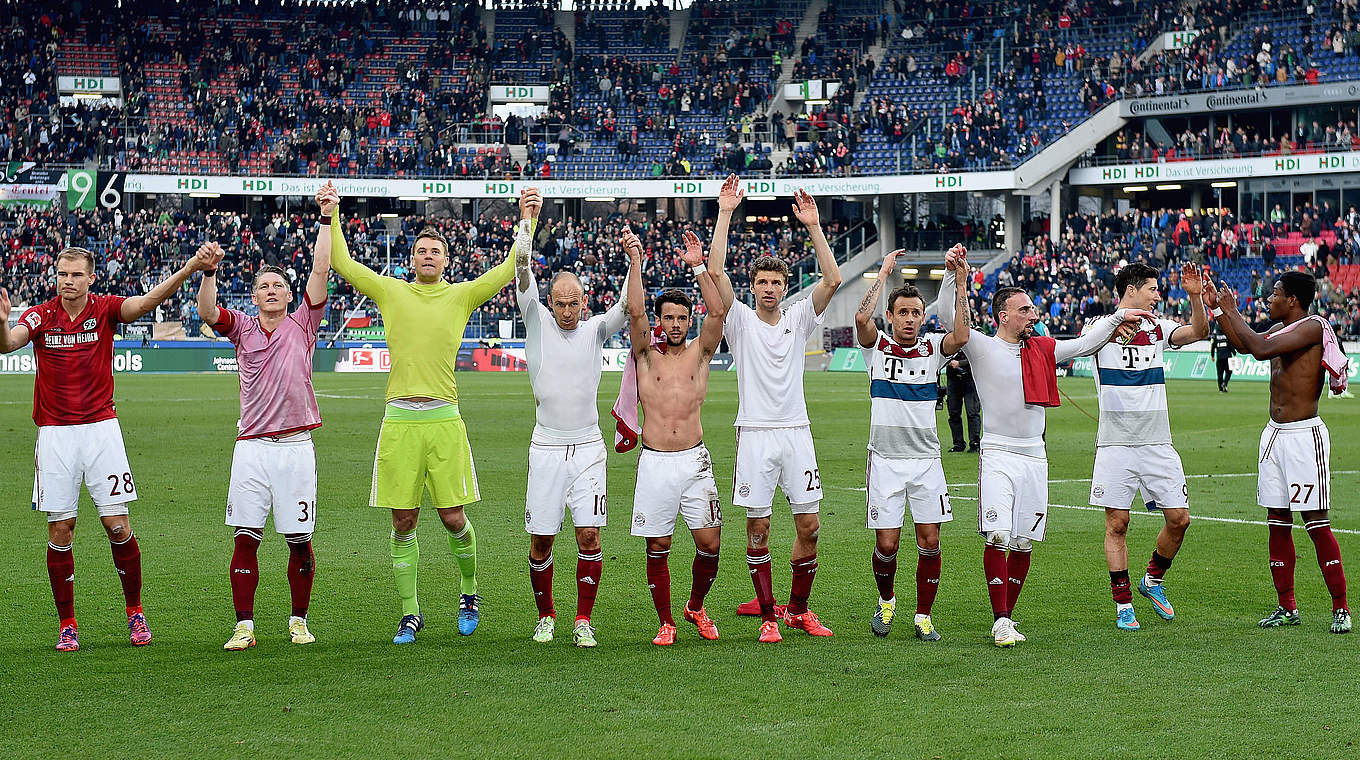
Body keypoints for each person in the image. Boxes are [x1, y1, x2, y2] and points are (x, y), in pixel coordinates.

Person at [330, 187, 542, 643]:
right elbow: (343, 264)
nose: (428, 256)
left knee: (452, 518)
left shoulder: (461, 296)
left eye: (436, 251)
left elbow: (510, 268)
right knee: (402, 521)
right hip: (400, 422)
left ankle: (469, 590)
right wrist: (333, 214)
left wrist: (527, 218)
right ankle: (411, 612)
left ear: (446, 261)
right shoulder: (390, 291)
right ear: (412, 260)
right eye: (421, 251)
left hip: (444, 420)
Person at [0, 243, 219, 651]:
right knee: (61, 529)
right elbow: (8, 343)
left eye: (76, 275)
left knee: (117, 525)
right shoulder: (41, 315)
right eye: (62, 274)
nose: (68, 281)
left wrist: (190, 267)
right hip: (55, 435)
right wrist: (0, 323)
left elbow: (148, 301)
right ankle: (68, 624)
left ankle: (135, 613)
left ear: (91, 277)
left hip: (102, 431)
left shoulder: (104, 310)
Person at [937, 245, 1153, 647]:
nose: (1033, 314)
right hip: (999, 453)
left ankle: (1008, 617)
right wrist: (957, 276)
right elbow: (950, 317)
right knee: (998, 536)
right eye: (1024, 310)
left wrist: (1120, 316)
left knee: (1022, 541)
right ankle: (1000, 621)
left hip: (1035, 455)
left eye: (1033, 309)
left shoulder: (1044, 347)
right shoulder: (982, 347)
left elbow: (1084, 345)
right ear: (1003, 316)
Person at [199, 182, 336, 650]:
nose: (272, 290)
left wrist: (326, 217)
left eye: (279, 285)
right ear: (254, 295)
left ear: (289, 293)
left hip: (296, 447)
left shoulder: (304, 323)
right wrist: (209, 272)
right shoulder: (241, 327)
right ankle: (244, 625)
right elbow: (207, 309)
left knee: (299, 538)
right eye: (264, 286)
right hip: (251, 449)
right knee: (246, 537)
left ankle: (299, 620)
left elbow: (321, 269)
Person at [708, 176, 843, 643]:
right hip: (756, 434)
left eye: (776, 282)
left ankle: (798, 610)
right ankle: (768, 614)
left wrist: (815, 226)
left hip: (797, 433)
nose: (769, 288)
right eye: (762, 282)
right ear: (753, 287)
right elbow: (716, 274)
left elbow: (833, 280)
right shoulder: (740, 321)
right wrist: (725, 212)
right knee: (759, 527)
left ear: (786, 287)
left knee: (810, 525)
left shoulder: (799, 318)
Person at [1207, 272, 1350, 634]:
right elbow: (1244, 345)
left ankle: (1341, 609)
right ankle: (1287, 607)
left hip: (1304, 437)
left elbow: (1258, 348)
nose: (1269, 298)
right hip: (1275, 436)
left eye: (1274, 294)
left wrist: (1229, 309)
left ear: (1293, 300)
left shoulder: (1312, 327)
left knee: (1316, 524)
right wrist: (1219, 312)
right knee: (1277, 521)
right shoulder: (1281, 330)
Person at [515, 217, 627, 649]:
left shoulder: (596, 330)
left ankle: (583, 619)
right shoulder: (536, 320)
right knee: (542, 539)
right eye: (559, 303)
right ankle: (546, 616)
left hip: (588, 448)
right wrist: (526, 225)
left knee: (589, 535)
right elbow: (522, 271)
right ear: (551, 302)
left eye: (573, 303)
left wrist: (635, 260)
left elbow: (626, 308)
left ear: (584, 301)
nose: (565, 310)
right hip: (546, 447)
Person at [854, 248, 970, 641]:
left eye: (914, 313)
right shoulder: (876, 349)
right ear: (891, 316)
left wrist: (962, 281)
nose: (908, 319)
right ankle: (886, 602)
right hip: (885, 460)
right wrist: (884, 270)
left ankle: (923, 616)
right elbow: (860, 318)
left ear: (923, 316)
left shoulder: (933, 349)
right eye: (901, 312)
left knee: (930, 540)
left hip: (925, 462)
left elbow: (963, 335)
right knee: (887, 543)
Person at [621, 224, 727, 646]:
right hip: (655, 462)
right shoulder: (646, 356)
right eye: (669, 317)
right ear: (660, 320)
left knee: (710, 544)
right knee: (658, 545)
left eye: (683, 317)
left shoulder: (701, 354)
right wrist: (635, 261)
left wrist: (699, 267)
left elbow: (718, 312)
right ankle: (665, 620)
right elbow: (634, 313)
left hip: (694, 460)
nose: (677, 323)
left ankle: (695, 606)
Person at [1088, 262, 1209, 631]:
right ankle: (1123, 604)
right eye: (1153, 289)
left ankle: (1152, 580)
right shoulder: (1097, 328)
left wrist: (1195, 296)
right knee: (1118, 523)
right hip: (1115, 445)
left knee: (1179, 519)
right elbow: (1080, 348)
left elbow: (1200, 332)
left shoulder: (1158, 328)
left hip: (1158, 442)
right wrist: (1119, 320)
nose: (1158, 295)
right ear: (1132, 290)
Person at [945, 352, 980, 452]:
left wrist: (960, 363)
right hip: (952, 377)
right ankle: (958, 444)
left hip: (970, 378)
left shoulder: (973, 339)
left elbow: (978, 357)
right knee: (953, 413)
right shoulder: (949, 339)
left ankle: (975, 443)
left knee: (972, 412)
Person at [1211, 325, 1235, 391]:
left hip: (1219, 357)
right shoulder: (1227, 336)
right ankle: (1225, 382)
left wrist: (1212, 356)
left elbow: (1213, 346)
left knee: (1220, 374)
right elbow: (1231, 345)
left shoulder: (1216, 337)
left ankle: (1220, 389)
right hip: (1228, 357)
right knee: (1229, 371)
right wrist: (1234, 353)